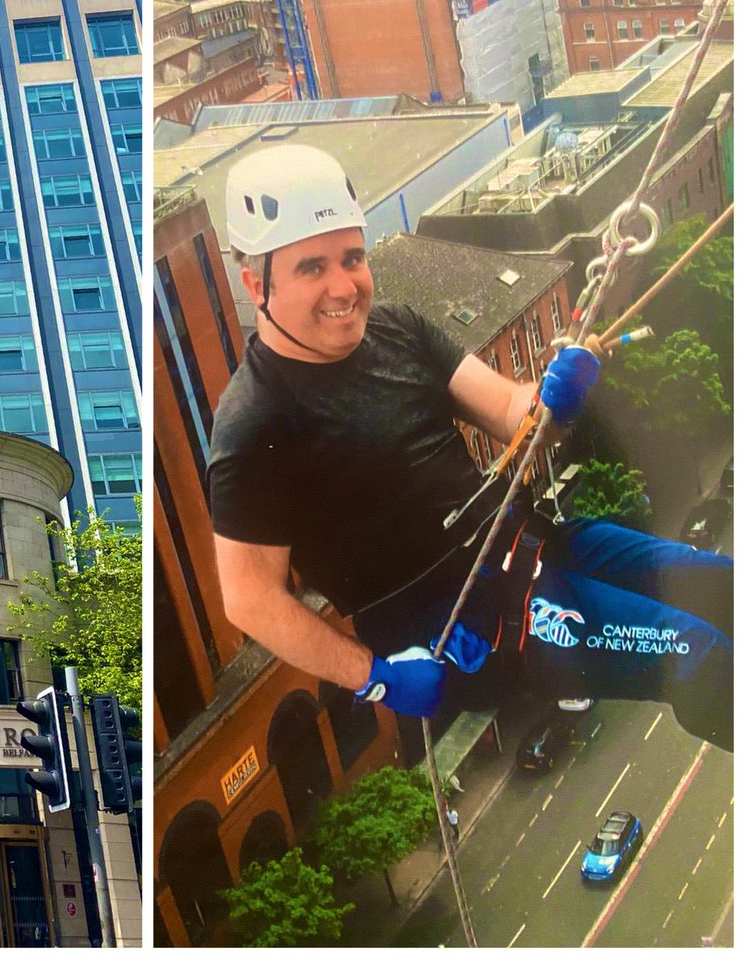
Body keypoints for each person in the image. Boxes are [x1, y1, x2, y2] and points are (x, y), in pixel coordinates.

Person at [209, 146, 732, 750]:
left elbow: (515, 415)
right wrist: (373, 677)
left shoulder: (398, 329)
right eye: (311, 268)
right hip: (468, 627)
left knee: (723, 587)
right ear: (256, 284)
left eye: (352, 257)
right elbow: (248, 597)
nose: (343, 286)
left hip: (528, 545)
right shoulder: (255, 421)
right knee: (700, 657)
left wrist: (555, 397)